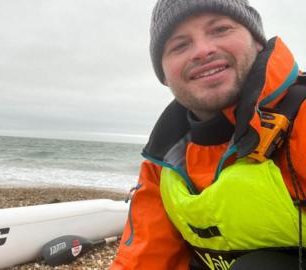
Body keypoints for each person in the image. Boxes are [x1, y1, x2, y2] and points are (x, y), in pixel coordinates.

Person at [111, 0, 306, 269]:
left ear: (258, 42)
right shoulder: (164, 161)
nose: (202, 51)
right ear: (164, 75)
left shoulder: (301, 118)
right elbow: (144, 259)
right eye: (180, 45)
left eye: (220, 30)